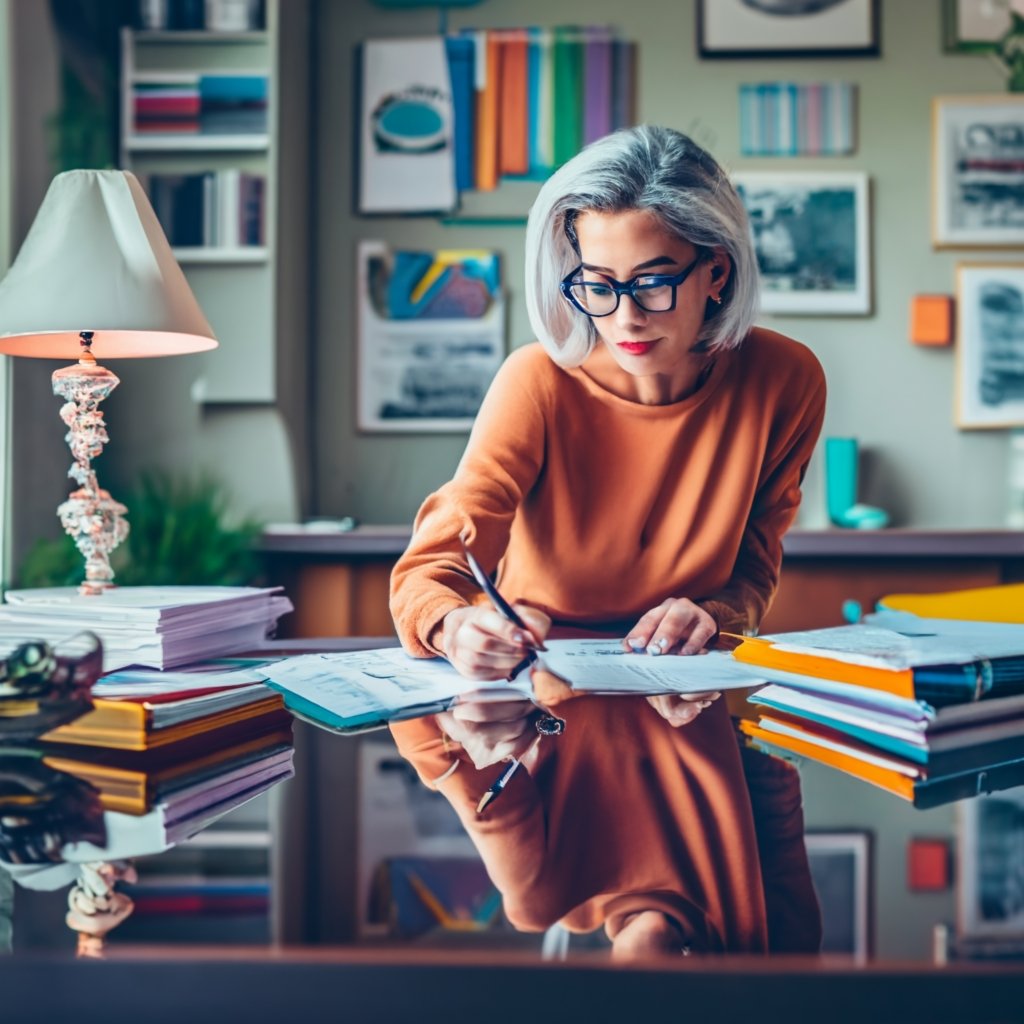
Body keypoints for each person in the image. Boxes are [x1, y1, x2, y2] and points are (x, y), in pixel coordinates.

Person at [389, 125, 826, 959]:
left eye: (655, 283)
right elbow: (431, 568)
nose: (623, 317)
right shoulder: (540, 382)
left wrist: (714, 616)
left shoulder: (785, 381)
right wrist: (456, 627)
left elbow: (753, 573)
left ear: (717, 273)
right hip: (541, 701)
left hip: (692, 707)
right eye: (596, 284)